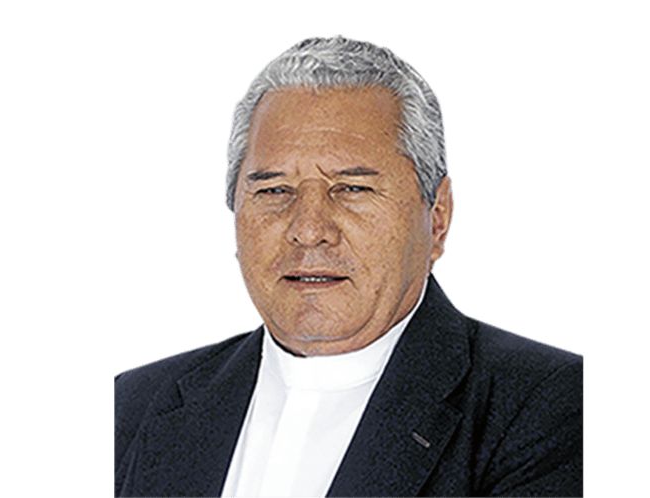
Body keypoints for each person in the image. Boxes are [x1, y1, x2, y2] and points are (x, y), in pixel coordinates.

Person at [114, 35, 583, 497]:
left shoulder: (547, 405)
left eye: (352, 189)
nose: (309, 230)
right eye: (274, 190)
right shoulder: (134, 402)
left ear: (438, 217)